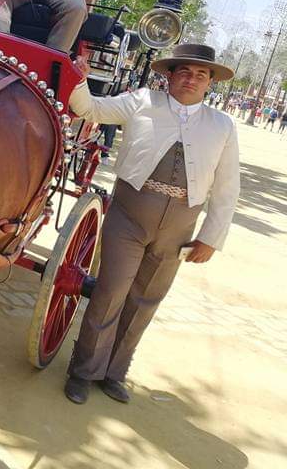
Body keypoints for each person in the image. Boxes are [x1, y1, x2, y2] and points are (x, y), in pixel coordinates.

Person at [63, 43, 240, 404]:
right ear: (170, 76)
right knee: (111, 291)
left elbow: (227, 187)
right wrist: (79, 79)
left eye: (200, 74)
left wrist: (210, 237)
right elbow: (91, 108)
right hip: (129, 215)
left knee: (146, 299)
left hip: (180, 226)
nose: (191, 79)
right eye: (184, 71)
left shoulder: (222, 126)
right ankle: (83, 370)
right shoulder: (142, 101)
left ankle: (114, 372)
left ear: (210, 82)